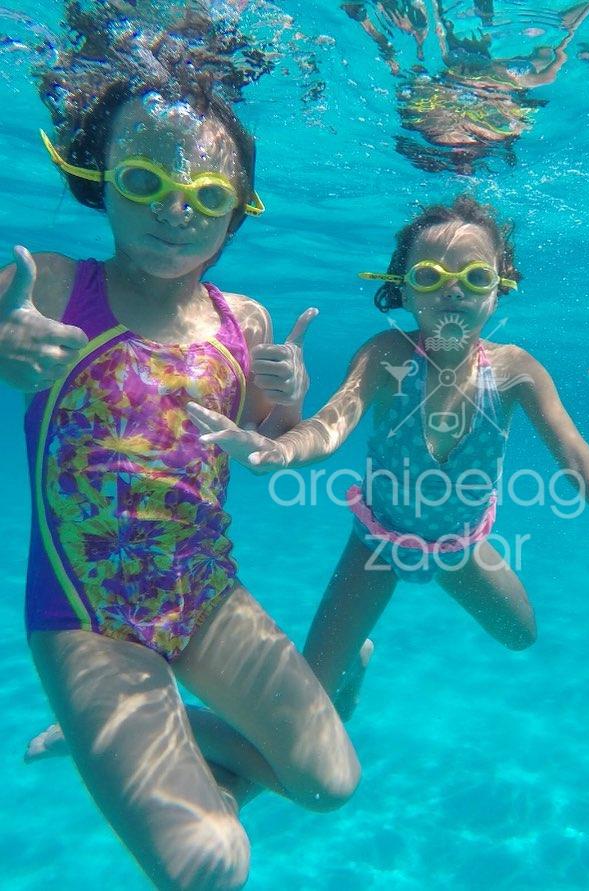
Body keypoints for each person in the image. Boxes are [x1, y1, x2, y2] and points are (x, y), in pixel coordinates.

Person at [2, 8, 359, 887]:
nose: (174, 209)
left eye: (206, 195)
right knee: (211, 861)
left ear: (236, 211)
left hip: (206, 596)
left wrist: (284, 404)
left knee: (329, 786)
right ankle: (112, 733)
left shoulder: (246, 322)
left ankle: (129, 740)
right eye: (145, 178)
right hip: (86, 616)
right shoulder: (47, 282)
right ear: (101, 179)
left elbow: (261, 446)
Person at [187, 195, 589, 720]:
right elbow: (331, 423)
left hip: (460, 547)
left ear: (499, 290)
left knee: (521, 635)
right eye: (430, 276)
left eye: (474, 277)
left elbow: (574, 451)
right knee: (313, 695)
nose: (452, 290)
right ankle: (355, 661)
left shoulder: (516, 369)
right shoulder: (388, 354)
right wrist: (280, 450)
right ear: (403, 289)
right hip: (377, 542)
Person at [341, 0, 589, 173]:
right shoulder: (528, 81)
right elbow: (561, 41)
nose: (461, 160)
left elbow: (394, 61)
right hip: (488, 67)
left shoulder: (432, 111)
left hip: (457, 63)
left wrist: (363, 21)